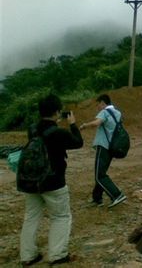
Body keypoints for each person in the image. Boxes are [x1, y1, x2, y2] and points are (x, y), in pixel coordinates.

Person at [20, 94, 83, 266]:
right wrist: (72, 125)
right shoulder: (59, 133)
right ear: (57, 112)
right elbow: (78, 142)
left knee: (31, 217)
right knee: (61, 216)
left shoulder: (32, 129)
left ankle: (28, 256)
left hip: (31, 182)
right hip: (54, 183)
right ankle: (57, 255)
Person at [80, 94, 126, 208]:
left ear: (102, 103)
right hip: (112, 147)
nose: (97, 107)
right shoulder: (117, 113)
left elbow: (97, 123)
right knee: (101, 172)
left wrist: (84, 125)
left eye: (98, 104)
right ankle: (97, 198)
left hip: (103, 146)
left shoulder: (104, 112)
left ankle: (116, 194)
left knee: (99, 175)